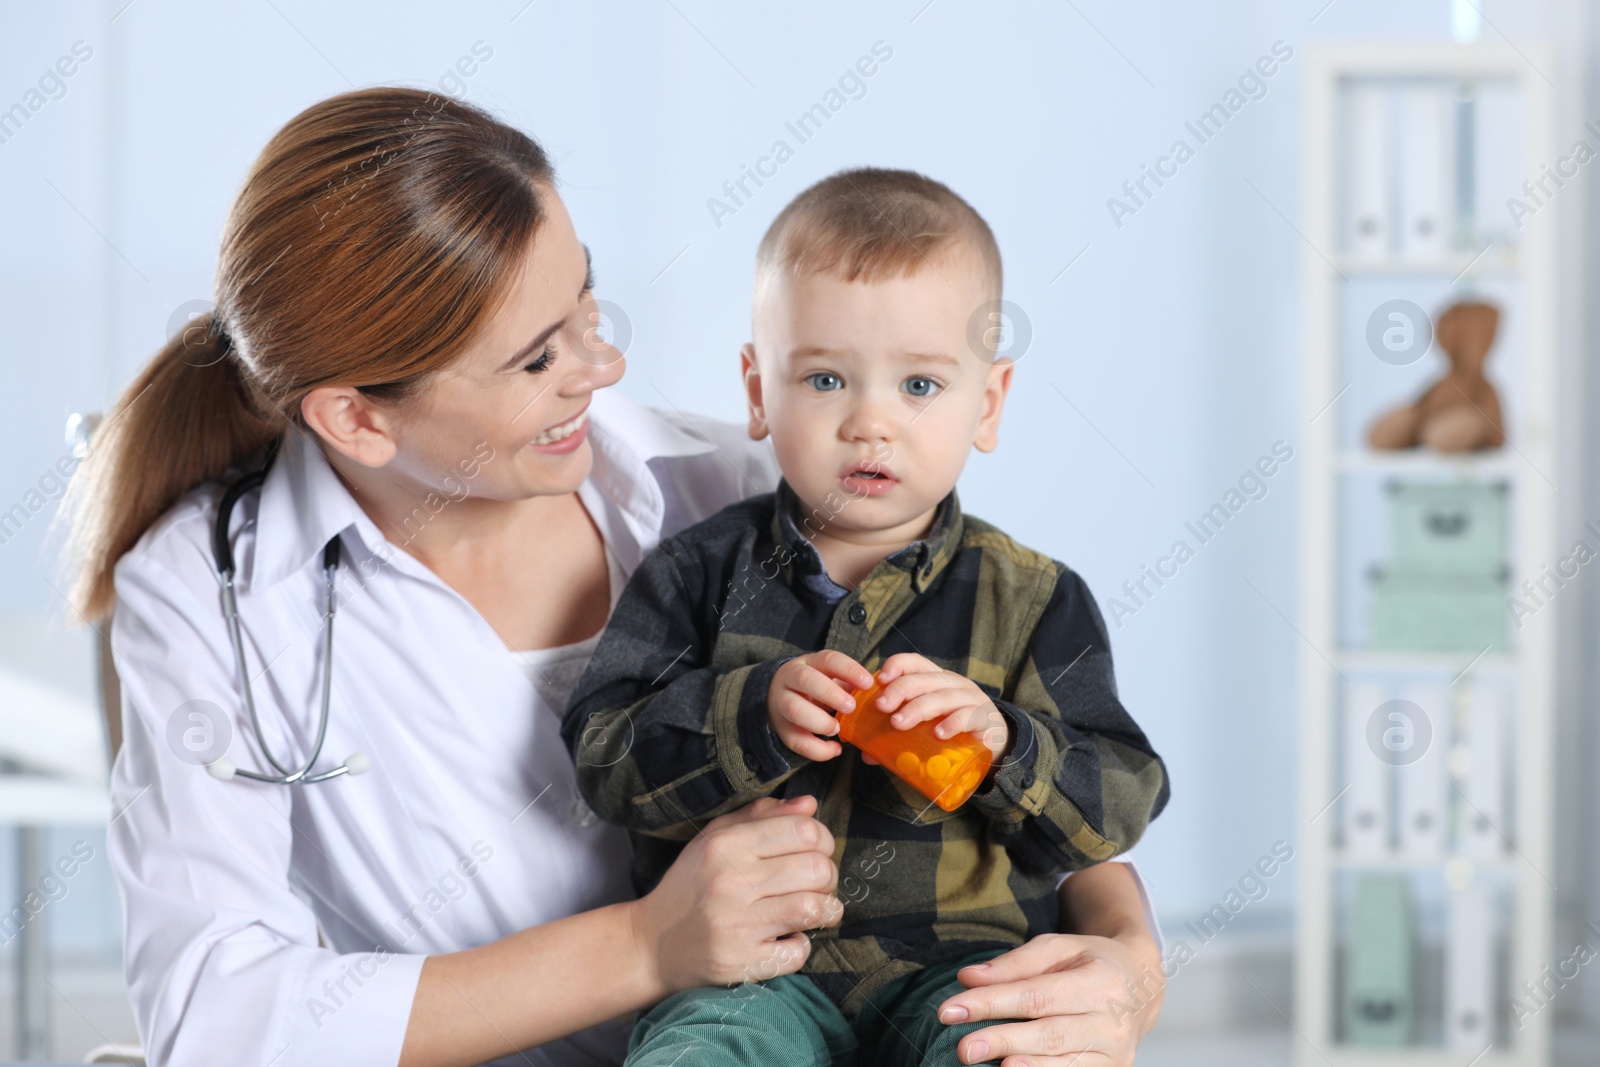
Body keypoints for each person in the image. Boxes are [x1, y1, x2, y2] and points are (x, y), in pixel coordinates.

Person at [64, 87, 1167, 1067]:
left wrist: (1127, 961)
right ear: (356, 415)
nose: (606, 366)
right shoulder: (209, 591)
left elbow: (1042, 770)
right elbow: (215, 1018)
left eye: (588, 306)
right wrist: (645, 944)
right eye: (540, 355)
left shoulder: (744, 493)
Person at [564, 168, 1170, 1066]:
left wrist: (1005, 742)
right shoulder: (695, 572)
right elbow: (605, 757)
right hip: (750, 977)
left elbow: (1118, 803)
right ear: (759, 392)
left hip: (963, 975)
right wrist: (750, 713)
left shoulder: (1036, 597)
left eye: (920, 386)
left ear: (989, 402)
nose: (870, 423)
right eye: (825, 379)